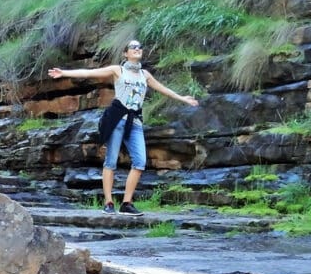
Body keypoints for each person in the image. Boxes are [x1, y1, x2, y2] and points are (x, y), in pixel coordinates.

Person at [48, 40, 199, 215]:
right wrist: (64, 72)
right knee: (111, 161)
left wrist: (183, 99)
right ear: (125, 53)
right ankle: (109, 202)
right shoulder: (118, 70)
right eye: (133, 47)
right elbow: (90, 72)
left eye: (139, 47)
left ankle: (127, 203)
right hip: (117, 118)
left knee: (140, 162)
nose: (137, 49)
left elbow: (163, 89)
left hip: (135, 121)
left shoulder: (145, 75)